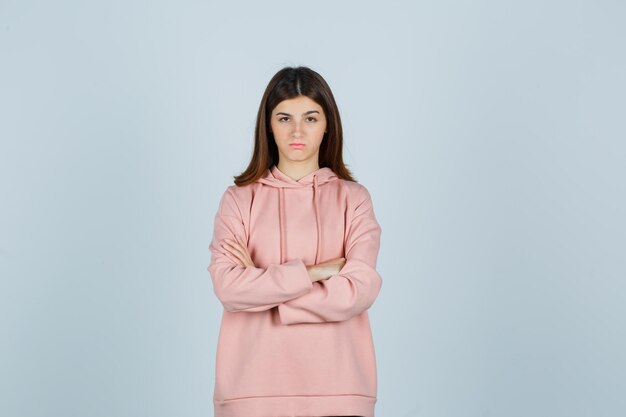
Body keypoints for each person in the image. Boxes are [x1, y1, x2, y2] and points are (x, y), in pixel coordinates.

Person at [207, 66, 383, 417]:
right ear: (268, 125)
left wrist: (265, 291)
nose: (298, 130)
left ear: (328, 123)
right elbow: (228, 287)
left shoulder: (354, 199)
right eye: (284, 118)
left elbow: (360, 290)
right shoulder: (239, 199)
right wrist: (316, 272)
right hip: (249, 391)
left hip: (341, 389)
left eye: (311, 118)